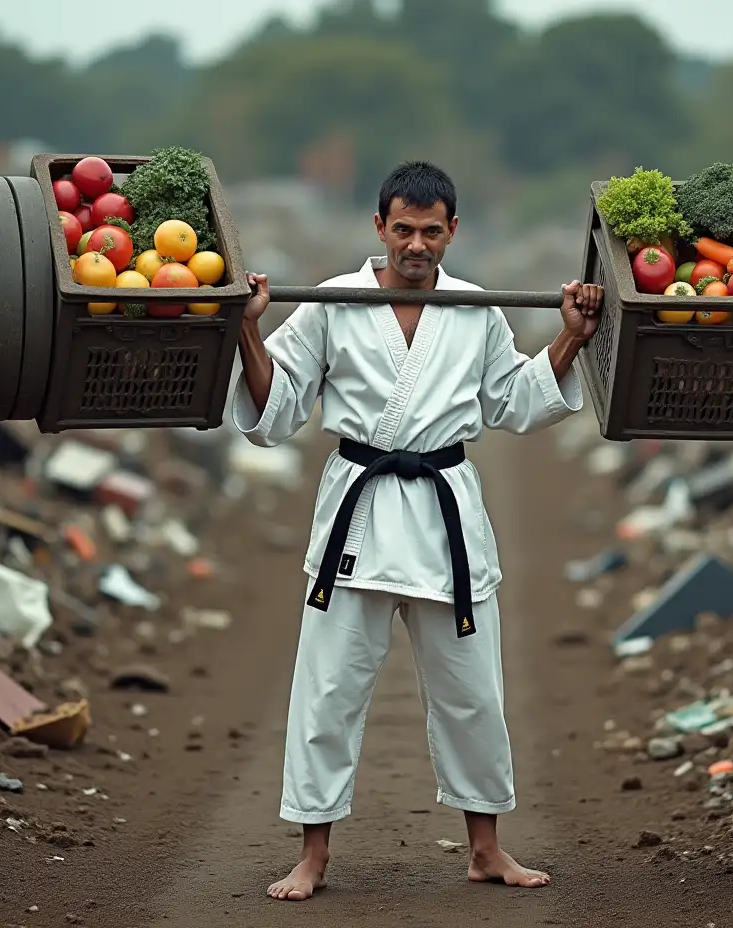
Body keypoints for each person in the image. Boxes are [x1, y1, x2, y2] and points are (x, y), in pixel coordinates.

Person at [233, 160, 603, 902]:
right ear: (379, 226)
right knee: (327, 693)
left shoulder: (477, 308)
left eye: (431, 232)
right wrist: (249, 329)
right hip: (358, 518)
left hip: (444, 519)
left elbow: (514, 403)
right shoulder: (332, 303)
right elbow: (278, 411)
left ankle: (486, 848)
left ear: (452, 232)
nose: (416, 245)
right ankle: (313, 855)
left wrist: (571, 338)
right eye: (403, 229)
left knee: (472, 693)